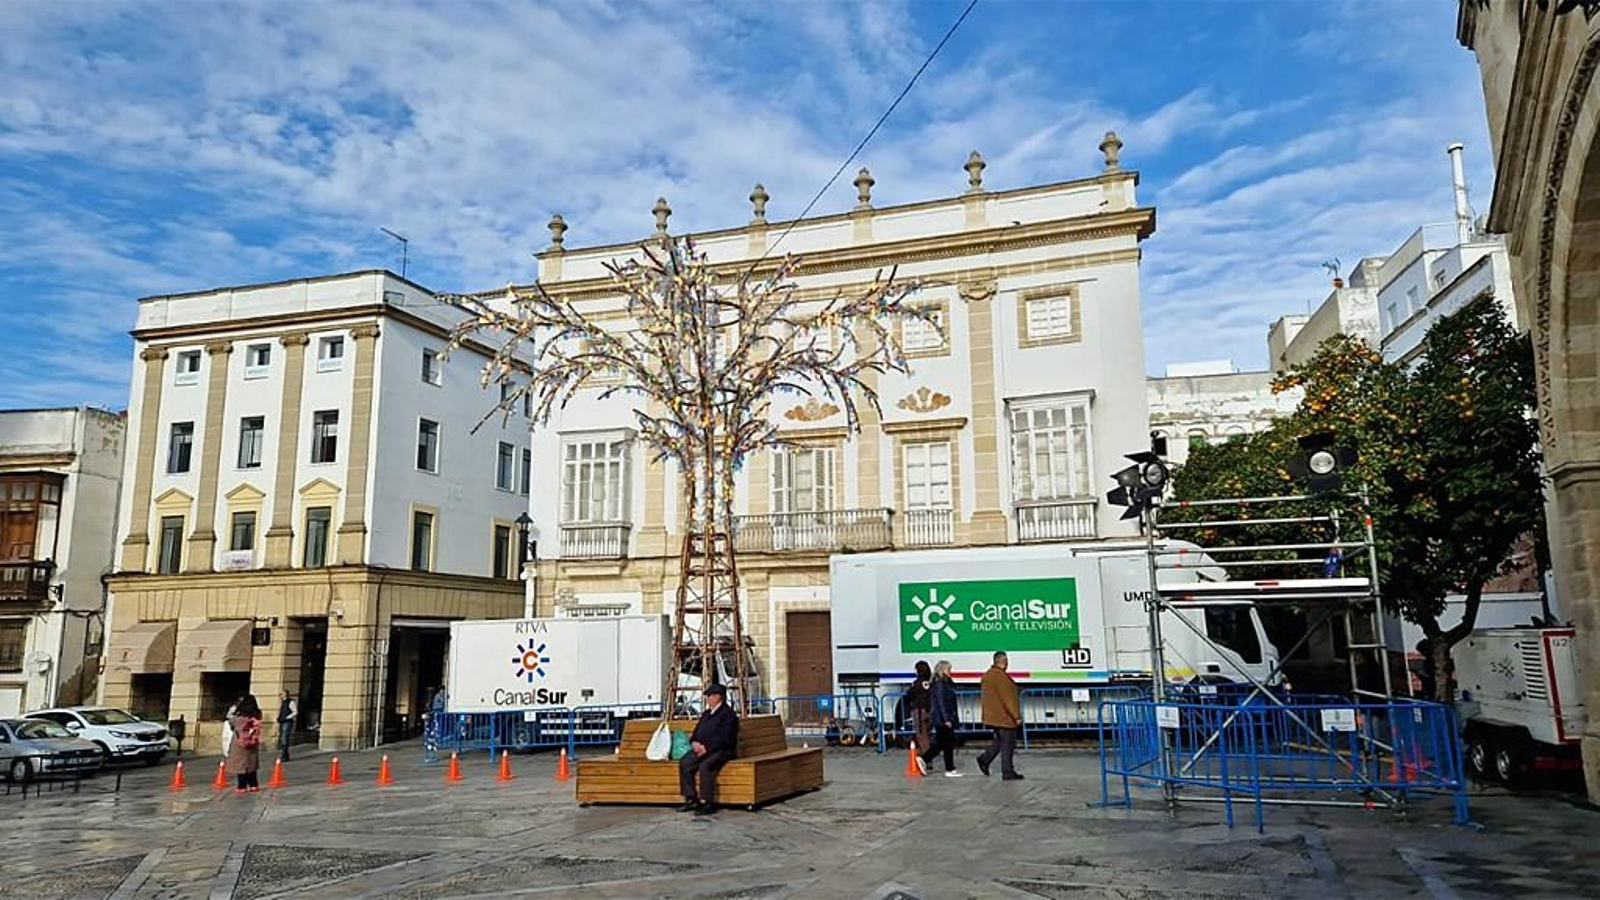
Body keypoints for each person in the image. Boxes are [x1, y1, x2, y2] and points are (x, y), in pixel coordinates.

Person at [678, 684, 739, 816]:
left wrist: (707, 748)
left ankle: (708, 802)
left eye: (710, 696)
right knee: (685, 762)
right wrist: (694, 743)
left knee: (706, 766)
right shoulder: (706, 714)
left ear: (718, 697)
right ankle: (691, 798)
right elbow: (696, 732)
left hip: (721, 750)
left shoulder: (728, 715)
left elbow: (725, 738)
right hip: (702, 749)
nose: (707, 698)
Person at [976, 651, 1023, 780]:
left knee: (999, 742)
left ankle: (984, 759)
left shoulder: (987, 675)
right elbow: (1008, 699)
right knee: (1008, 743)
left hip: (993, 716)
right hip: (1004, 717)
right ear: (1004, 662)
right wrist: (1016, 716)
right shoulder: (1001, 677)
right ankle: (1007, 771)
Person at [920, 660, 962, 777]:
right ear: (943, 670)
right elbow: (941, 703)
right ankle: (947, 767)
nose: (950, 672)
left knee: (943, 743)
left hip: (942, 718)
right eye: (949, 669)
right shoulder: (940, 684)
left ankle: (928, 760)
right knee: (945, 743)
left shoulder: (944, 683)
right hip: (942, 718)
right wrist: (946, 719)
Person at [226, 694, 264, 793]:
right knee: (251, 763)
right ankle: (253, 784)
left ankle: (242, 786)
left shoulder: (238, 716)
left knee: (240, 764)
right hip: (252, 740)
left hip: (239, 741)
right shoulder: (257, 715)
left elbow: (230, 721)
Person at [904, 660, 933, 774]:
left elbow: (910, 694)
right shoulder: (929, 683)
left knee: (921, 736)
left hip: (919, 710)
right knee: (927, 734)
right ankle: (922, 756)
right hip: (929, 710)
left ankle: (926, 759)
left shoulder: (917, 683)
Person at [275, 690, 298, 761]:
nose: (280, 695)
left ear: (285, 695)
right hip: (283, 721)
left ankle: (284, 755)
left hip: (287, 722)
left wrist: (287, 717)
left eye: (281, 694)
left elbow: (295, 712)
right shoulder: (283, 702)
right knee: (283, 738)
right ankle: (285, 755)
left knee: (284, 738)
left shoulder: (290, 702)